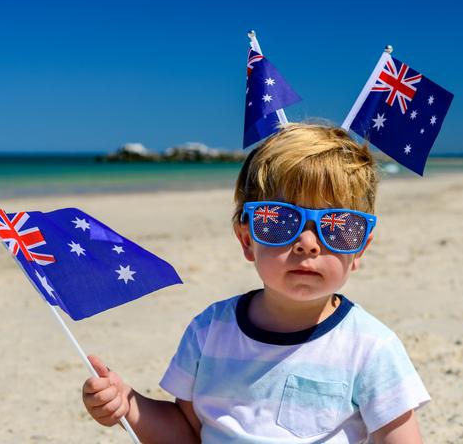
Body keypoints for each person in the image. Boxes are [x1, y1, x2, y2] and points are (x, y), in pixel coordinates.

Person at [82, 124, 430, 443]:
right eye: (278, 222)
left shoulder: (370, 347)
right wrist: (128, 405)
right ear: (247, 240)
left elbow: (396, 436)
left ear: (359, 249)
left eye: (338, 227)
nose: (308, 243)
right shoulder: (210, 330)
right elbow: (186, 431)